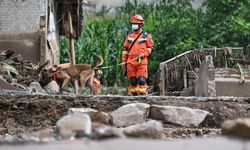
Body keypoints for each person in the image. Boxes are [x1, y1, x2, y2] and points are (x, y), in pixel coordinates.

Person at [122, 15, 154, 95]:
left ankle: (143, 94)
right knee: (133, 81)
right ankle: (134, 96)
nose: (134, 25)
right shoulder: (129, 36)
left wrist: (144, 54)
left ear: (140, 25)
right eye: (133, 23)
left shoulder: (146, 35)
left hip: (141, 62)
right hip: (130, 62)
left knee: (141, 80)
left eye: (135, 23)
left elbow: (150, 48)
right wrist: (123, 60)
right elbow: (125, 49)